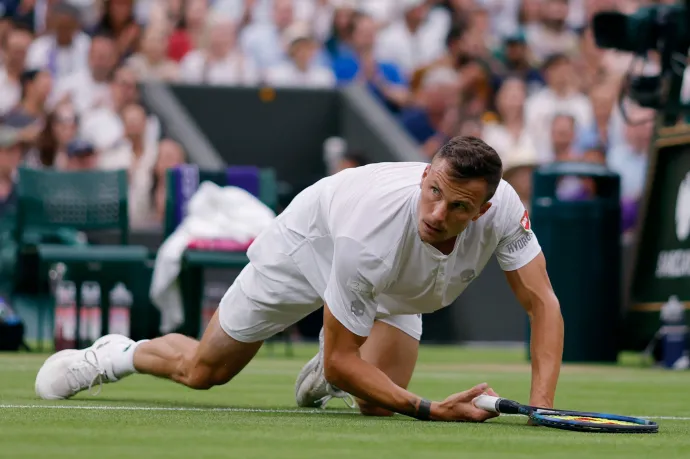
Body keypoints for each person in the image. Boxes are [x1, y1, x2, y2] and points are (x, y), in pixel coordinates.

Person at [34, 136, 564, 423]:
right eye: (434, 192)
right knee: (203, 371)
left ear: (484, 209)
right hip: (312, 241)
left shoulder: (503, 213)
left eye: (458, 206)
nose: (437, 212)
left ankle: (330, 372)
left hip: (394, 279)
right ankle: (113, 356)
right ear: (425, 175)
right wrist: (429, 408)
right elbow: (345, 358)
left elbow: (542, 303)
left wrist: (542, 405)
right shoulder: (370, 234)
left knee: (377, 404)